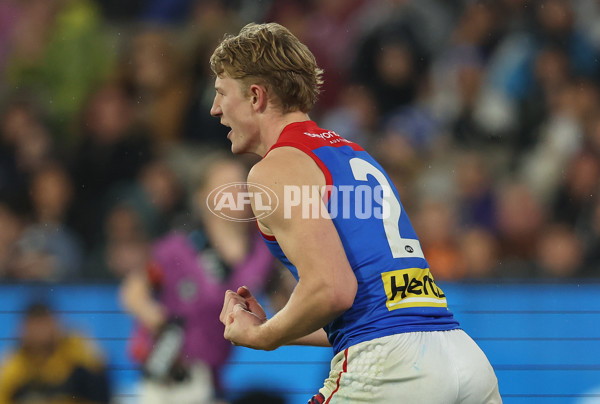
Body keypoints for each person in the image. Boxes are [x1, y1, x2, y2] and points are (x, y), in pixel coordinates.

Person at [210, 23, 502, 403]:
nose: (215, 109)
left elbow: (334, 290)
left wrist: (263, 338)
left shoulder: (275, 169)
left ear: (255, 96)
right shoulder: (352, 152)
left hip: (391, 368)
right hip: (461, 357)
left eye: (220, 94)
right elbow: (373, 301)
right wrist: (276, 323)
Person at [120, 154, 275, 404]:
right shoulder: (177, 249)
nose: (238, 192)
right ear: (203, 197)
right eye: (226, 185)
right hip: (166, 380)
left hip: (211, 382)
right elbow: (133, 291)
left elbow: (286, 299)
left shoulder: (263, 251)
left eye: (242, 185)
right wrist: (156, 318)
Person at [0, 301, 110, 404]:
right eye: (34, 326)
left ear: (55, 324)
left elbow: (100, 388)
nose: (40, 332)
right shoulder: (14, 364)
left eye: (43, 324)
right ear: (23, 329)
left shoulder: (76, 350)